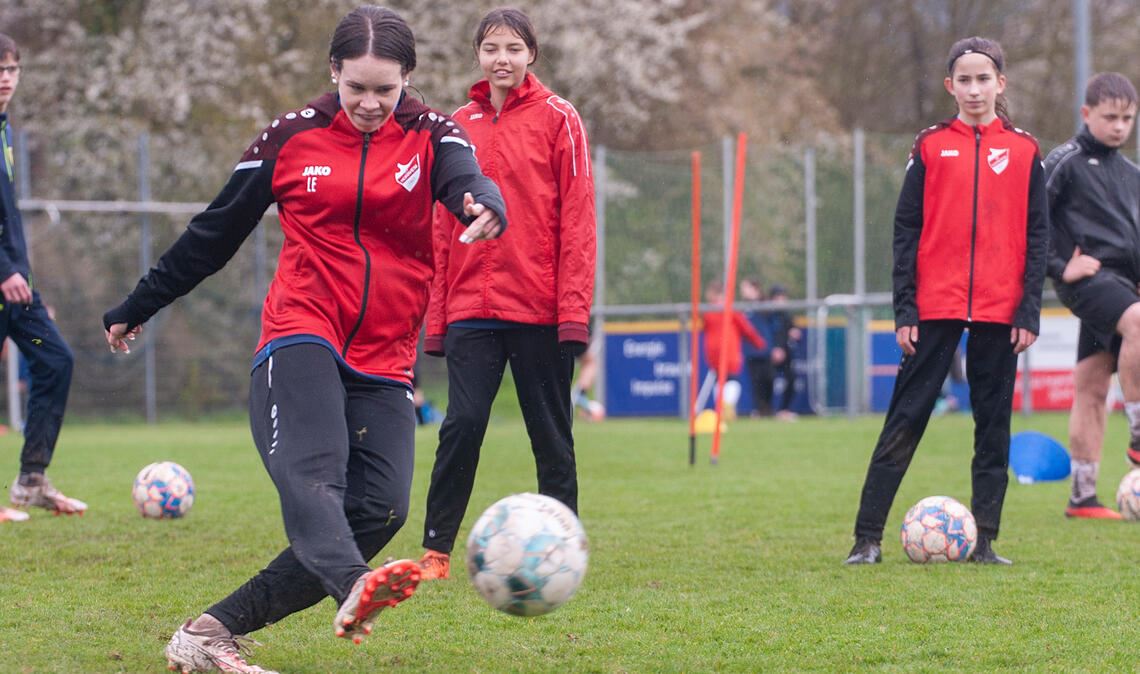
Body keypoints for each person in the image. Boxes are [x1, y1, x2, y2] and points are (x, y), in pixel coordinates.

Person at [102, 7, 506, 672]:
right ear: (333, 72)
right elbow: (214, 233)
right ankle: (353, 583)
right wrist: (139, 303)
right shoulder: (291, 136)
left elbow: (468, 179)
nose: (370, 103)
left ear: (408, 78)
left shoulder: (434, 134)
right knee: (315, 475)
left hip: (385, 356)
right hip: (302, 330)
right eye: (356, 88)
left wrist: (485, 202)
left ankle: (208, 632)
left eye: (385, 89)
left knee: (381, 508)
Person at [845, 37, 1048, 566]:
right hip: (934, 307)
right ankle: (867, 539)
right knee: (905, 420)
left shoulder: (1026, 150)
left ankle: (985, 542)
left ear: (1000, 83)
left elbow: (1038, 236)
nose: (975, 89)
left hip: (1001, 311)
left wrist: (1028, 310)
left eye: (984, 79)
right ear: (950, 86)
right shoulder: (931, 145)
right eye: (965, 80)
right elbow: (906, 229)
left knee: (993, 429)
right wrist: (905, 309)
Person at [418, 7, 595, 582]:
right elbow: (440, 228)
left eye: (514, 48)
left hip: (539, 309)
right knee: (462, 423)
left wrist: (572, 312)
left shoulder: (560, 118)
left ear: (531, 55)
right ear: (478, 55)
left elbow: (578, 220)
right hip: (472, 308)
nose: (503, 59)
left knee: (551, 434)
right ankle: (436, 550)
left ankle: (563, 549)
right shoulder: (455, 125)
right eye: (492, 48)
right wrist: (438, 319)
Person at [1045, 72, 1139, 520]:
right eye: (1110, 117)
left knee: (1091, 384)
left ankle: (1082, 496)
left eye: (1128, 118)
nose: (1119, 127)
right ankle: (1138, 434)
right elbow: (1031, 221)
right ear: (1086, 114)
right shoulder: (1063, 161)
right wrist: (1060, 266)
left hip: (1123, 286)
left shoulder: (1131, 173)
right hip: (1089, 279)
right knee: (1139, 321)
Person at [0, 33, 86, 519]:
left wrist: (22, 277)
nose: (5, 78)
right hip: (3, 279)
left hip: (17, 288)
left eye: (12, 69)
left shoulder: (5, 129)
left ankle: (32, 479)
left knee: (55, 360)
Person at [700, 281, 766, 418]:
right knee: (732, 379)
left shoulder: (708, 312)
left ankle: (721, 407)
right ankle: (727, 405)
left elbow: (704, 327)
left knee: (719, 379)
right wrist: (758, 342)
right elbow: (746, 328)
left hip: (712, 351)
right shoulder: (730, 310)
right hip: (728, 350)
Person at [739, 278, 775, 417]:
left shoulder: (765, 306)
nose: (743, 291)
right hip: (751, 351)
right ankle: (759, 410)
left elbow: (773, 326)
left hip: (766, 350)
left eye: (745, 287)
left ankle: (768, 408)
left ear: (755, 289)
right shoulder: (743, 308)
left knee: (769, 379)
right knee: (756, 382)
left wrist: (775, 347)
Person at [765, 284, 801, 420]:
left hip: (786, 353)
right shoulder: (768, 314)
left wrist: (794, 332)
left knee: (791, 379)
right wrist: (774, 349)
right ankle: (765, 410)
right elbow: (768, 334)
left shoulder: (786, 315)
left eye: (783, 297)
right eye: (778, 297)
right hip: (771, 353)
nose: (782, 300)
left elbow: (792, 329)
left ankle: (784, 410)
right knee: (766, 381)